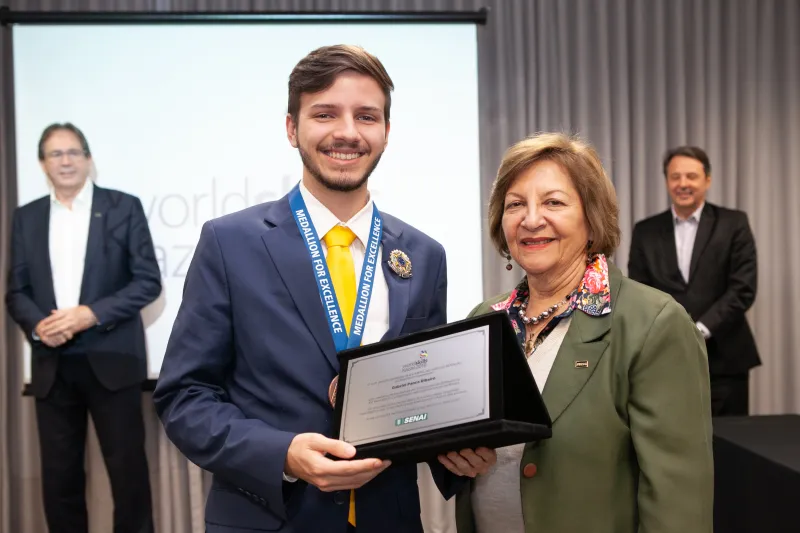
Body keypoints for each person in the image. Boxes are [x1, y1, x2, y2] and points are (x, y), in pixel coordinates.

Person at [152, 44, 494, 533]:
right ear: (292, 128)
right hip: (270, 519)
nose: (347, 133)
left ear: (387, 132)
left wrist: (456, 450)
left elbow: (425, 398)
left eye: (367, 116)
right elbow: (184, 396)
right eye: (325, 114)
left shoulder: (423, 256)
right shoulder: (229, 243)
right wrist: (284, 455)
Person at [454, 133, 714, 533]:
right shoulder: (483, 319)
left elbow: (679, 500)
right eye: (515, 204)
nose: (531, 219)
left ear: (592, 219)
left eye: (553, 202)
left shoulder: (653, 323)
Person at [5, 122, 160, 533]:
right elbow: (15, 290)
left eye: (74, 152)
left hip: (113, 361)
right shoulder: (27, 217)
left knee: (128, 479)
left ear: (89, 159)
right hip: (52, 365)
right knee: (60, 484)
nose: (66, 161)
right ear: (42, 164)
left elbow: (148, 281)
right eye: (56, 154)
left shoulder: (124, 207)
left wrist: (89, 313)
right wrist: (40, 326)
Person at [628, 146, 759, 416]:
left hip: (725, 361)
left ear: (707, 180)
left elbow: (743, 288)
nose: (683, 184)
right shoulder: (645, 231)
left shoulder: (733, 223)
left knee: (730, 451)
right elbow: (638, 293)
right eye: (675, 177)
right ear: (666, 181)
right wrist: (672, 333)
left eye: (691, 176)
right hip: (664, 360)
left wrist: (699, 331)